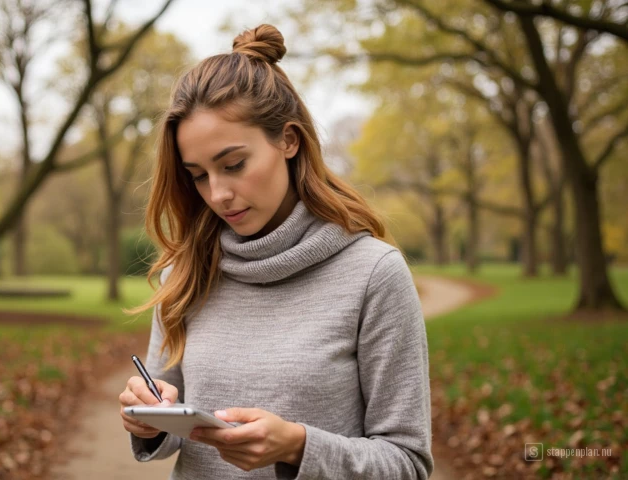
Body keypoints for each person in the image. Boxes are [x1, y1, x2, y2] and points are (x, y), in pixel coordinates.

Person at [118, 24, 433, 480]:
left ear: (289, 140)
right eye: (199, 175)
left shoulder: (373, 273)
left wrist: (299, 448)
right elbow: (169, 419)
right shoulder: (184, 275)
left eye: (233, 165)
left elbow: (408, 463)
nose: (219, 194)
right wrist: (148, 419)